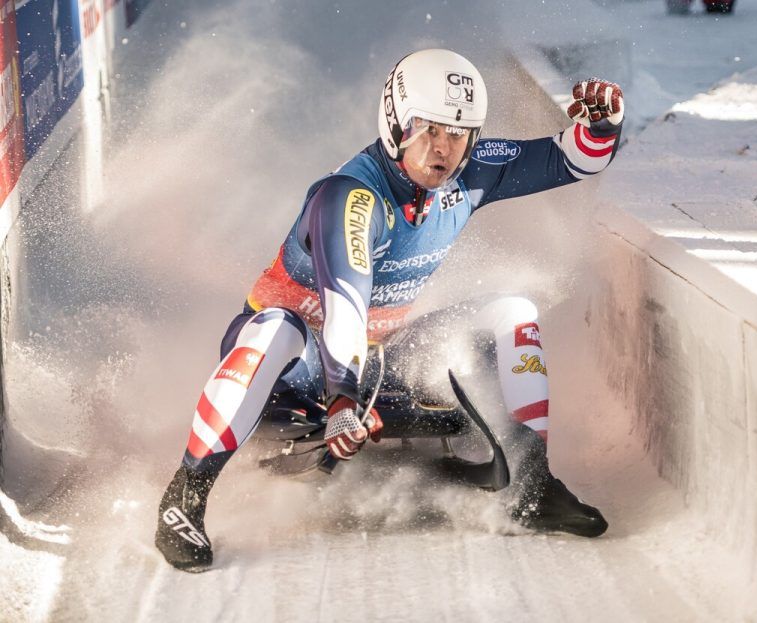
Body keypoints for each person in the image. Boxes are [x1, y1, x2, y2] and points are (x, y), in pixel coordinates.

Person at [155, 49, 625, 572]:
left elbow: (572, 159)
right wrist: (341, 404)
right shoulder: (349, 196)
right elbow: (346, 306)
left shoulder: (471, 169)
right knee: (276, 329)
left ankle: (534, 486)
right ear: (397, 122)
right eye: (429, 130)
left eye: (458, 132)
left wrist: (602, 125)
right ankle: (184, 498)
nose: (443, 150)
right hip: (299, 368)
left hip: (378, 358)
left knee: (512, 307)